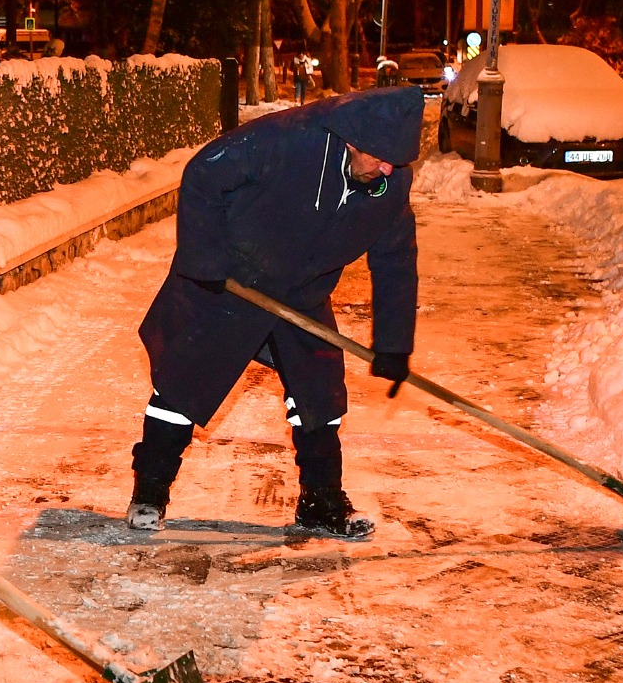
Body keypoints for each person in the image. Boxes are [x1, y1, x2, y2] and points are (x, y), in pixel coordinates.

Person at [128, 87, 423, 540]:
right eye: (381, 158)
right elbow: (203, 175)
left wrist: (393, 345)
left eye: (396, 162)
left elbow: (396, 261)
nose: (387, 169)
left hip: (301, 293)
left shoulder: (389, 185)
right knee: (182, 388)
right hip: (231, 279)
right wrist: (205, 261)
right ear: (351, 139)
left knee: (319, 397)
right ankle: (149, 492)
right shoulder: (286, 139)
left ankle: (321, 501)